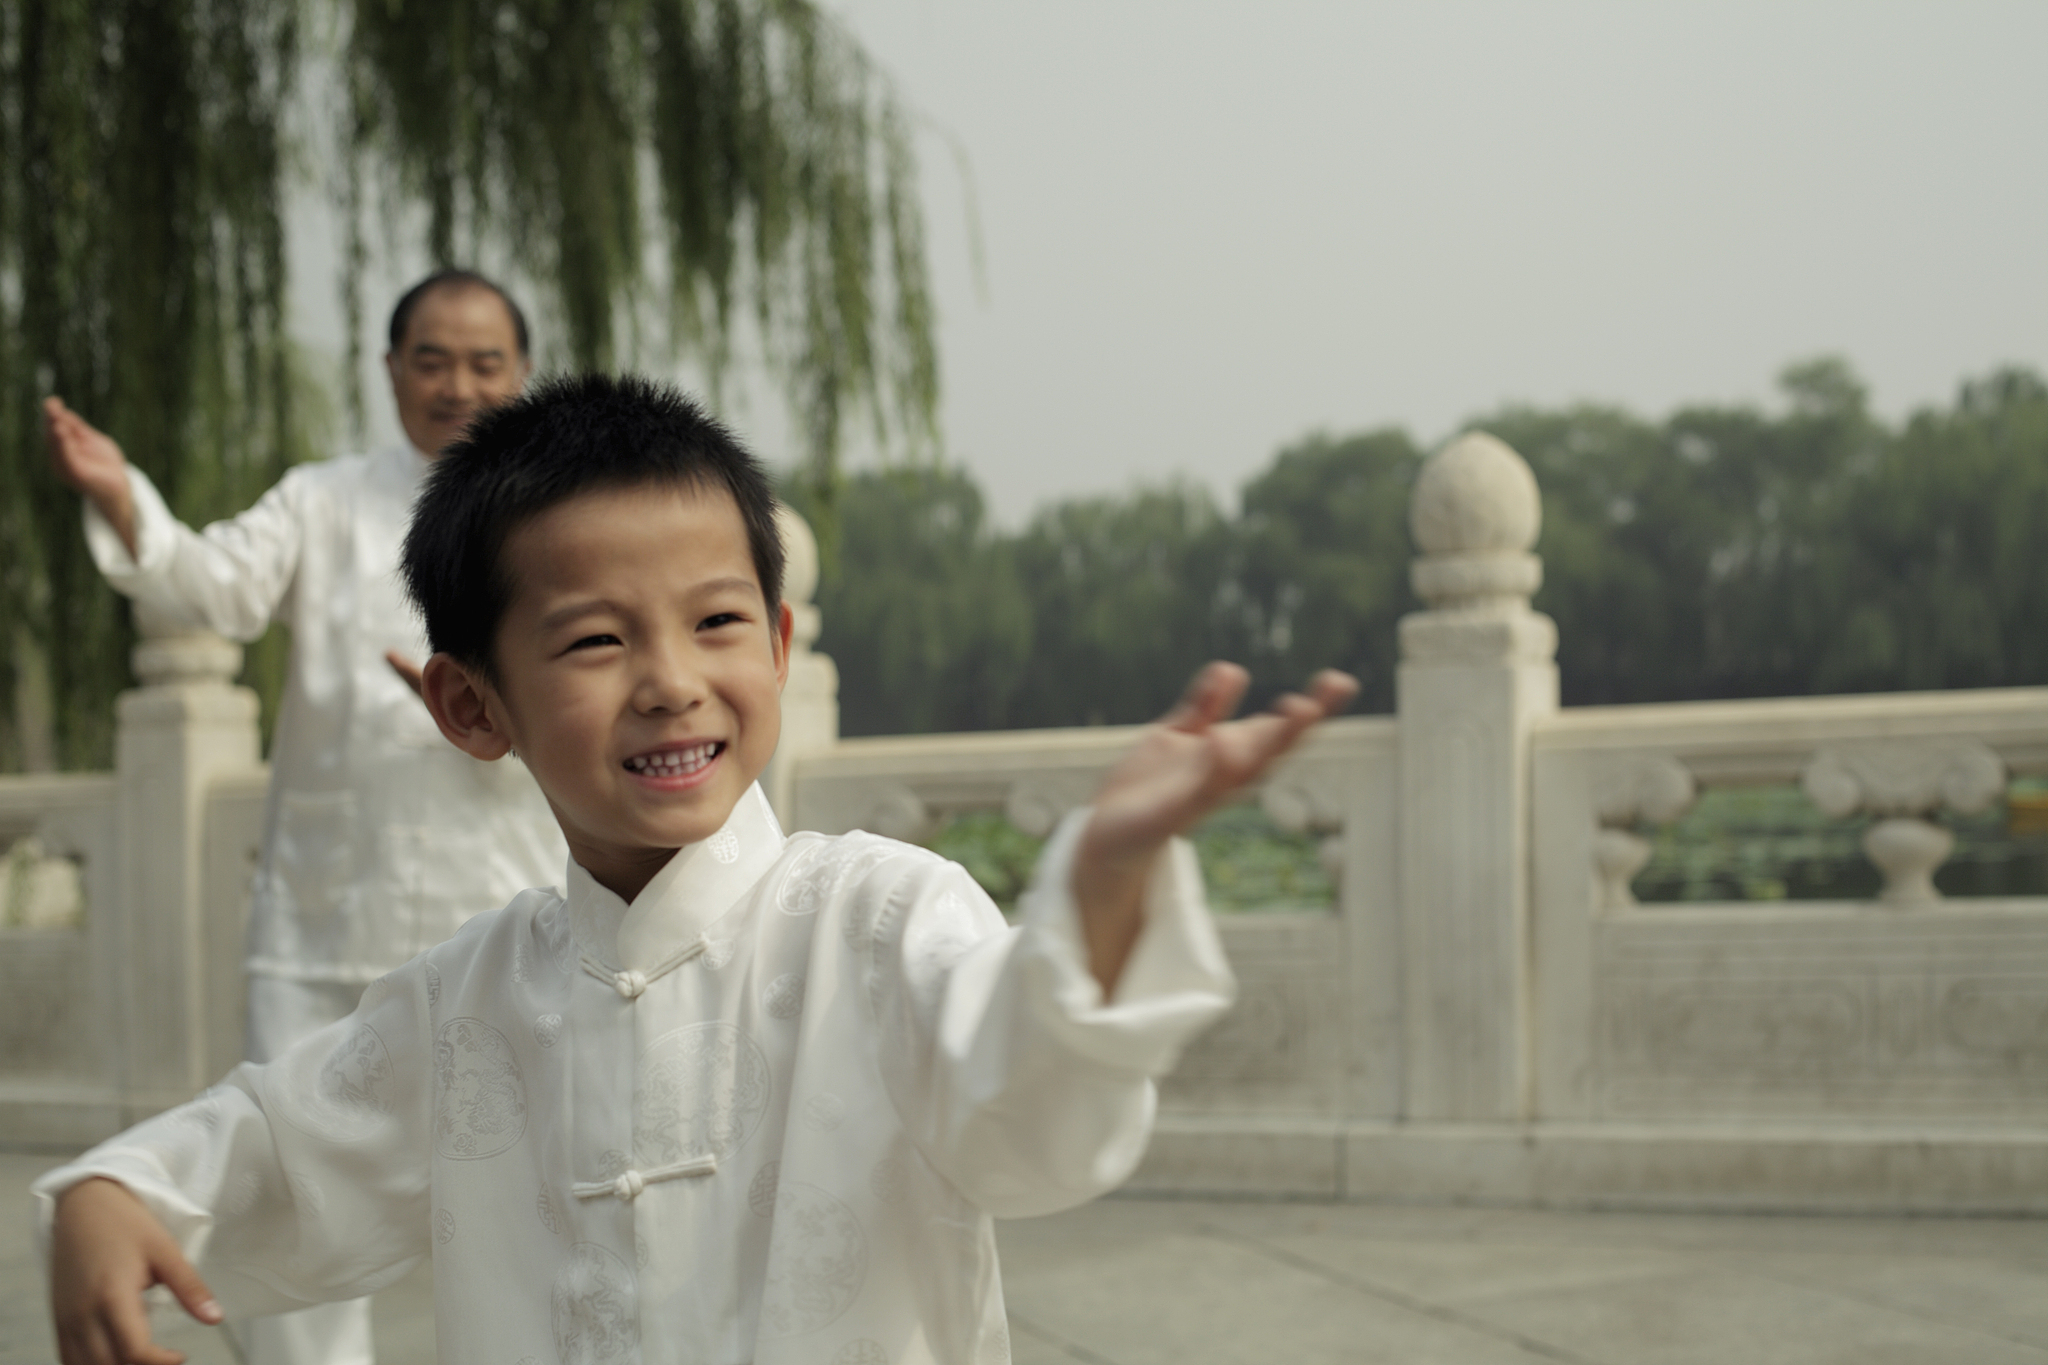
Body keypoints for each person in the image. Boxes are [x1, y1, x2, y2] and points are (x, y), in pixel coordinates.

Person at [37, 373, 1359, 1365]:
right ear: (469, 705)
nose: (674, 683)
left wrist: (1105, 881)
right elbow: (284, 1134)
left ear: (779, 641)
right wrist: (119, 1191)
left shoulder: (882, 918)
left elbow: (1030, 1108)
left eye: (718, 621)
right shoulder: (465, 1002)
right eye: (596, 640)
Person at [41, 271, 569, 1365]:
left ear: (523, 373)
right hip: (325, 912)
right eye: (431, 359)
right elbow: (213, 590)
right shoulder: (322, 501)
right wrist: (123, 497)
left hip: (504, 912)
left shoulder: (557, 521)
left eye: (484, 362)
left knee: (543, 1205)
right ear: (389, 371)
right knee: (292, 1191)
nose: (457, 384)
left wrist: (488, 709)